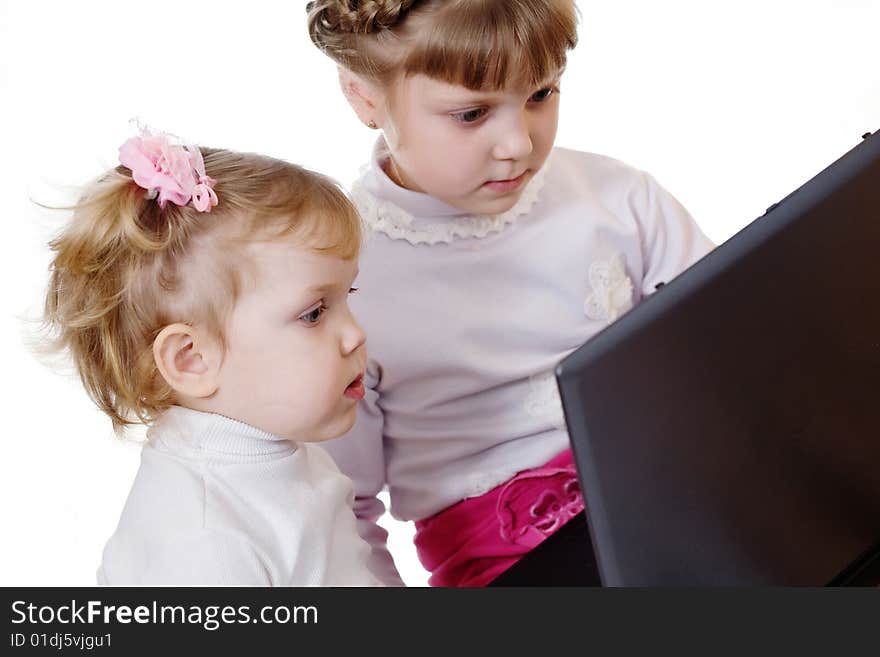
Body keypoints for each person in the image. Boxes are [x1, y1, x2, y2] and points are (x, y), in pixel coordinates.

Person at [306, 0, 715, 587]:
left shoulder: (617, 197)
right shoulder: (341, 283)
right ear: (364, 95)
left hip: (667, 493)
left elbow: (727, 353)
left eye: (541, 93)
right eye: (472, 113)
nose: (519, 143)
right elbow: (343, 511)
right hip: (514, 564)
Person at [41, 126, 381, 586]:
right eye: (314, 313)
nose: (355, 335)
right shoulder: (203, 542)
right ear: (191, 359)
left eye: (349, 293)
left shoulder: (283, 452)